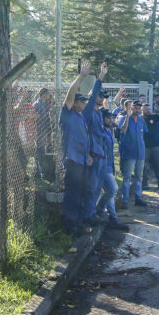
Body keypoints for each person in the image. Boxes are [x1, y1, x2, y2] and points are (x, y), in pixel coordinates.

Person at [58, 61, 92, 235]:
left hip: (82, 160)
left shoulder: (80, 117)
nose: (83, 104)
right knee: (72, 193)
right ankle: (70, 225)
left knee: (80, 192)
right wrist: (82, 76)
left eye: (84, 102)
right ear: (75, 103)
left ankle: (77, 221)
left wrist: (88, 155)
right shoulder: (67, 113)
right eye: (81, 101)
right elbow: (69, 95)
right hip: (72, 160)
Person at [82, 63, 110, 225]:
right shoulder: (88, 111)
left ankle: (92, 214)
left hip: (101, 155)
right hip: (92, 154)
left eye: (102, 97)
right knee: (91, 188)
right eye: (99, 96)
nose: (101, 99)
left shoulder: (99, 114)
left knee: (98, 188)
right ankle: (87, 216)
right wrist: (101, 76)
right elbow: (92, 96)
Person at [97, 109, 129, 230]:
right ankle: (98, 210)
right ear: (102, 119)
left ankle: (113, 219)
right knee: (113, 189)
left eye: (111, 118)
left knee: (110, 193)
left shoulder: (109, 130)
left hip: (110, 166)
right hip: (102, 166)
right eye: (108, 118)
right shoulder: (100, 131)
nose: (110, 120)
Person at [118, 100, 148, 208]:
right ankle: (125, 200)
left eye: (139, 108)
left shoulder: (141, 121)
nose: (137, 110)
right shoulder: (124, 118)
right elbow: (123, 130)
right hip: (129, 152)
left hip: (140, 153)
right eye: (135, 108)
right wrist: (127, 117)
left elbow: (143, 134)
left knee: (139, 177)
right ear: (131, 108)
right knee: (127, 177)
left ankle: (138, 198)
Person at [142, 101, 159, 189]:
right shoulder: (140, 119)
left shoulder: (153, 116)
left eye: (149, 109)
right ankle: (144, 184)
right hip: (145, 146)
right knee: (144, 166)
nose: (148, 110)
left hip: (156, 146)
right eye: (146, 109)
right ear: (142, 110)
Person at [33, 88, 56, 182]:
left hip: (44, 130)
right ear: (43, 94)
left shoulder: (43, 103)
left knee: (42, 151)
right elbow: (35, 116)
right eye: (47, 94)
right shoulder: (37, 104)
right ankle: (40, 172)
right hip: (39, 130)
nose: (48, 96)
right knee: (40, 151)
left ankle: (39, 172)